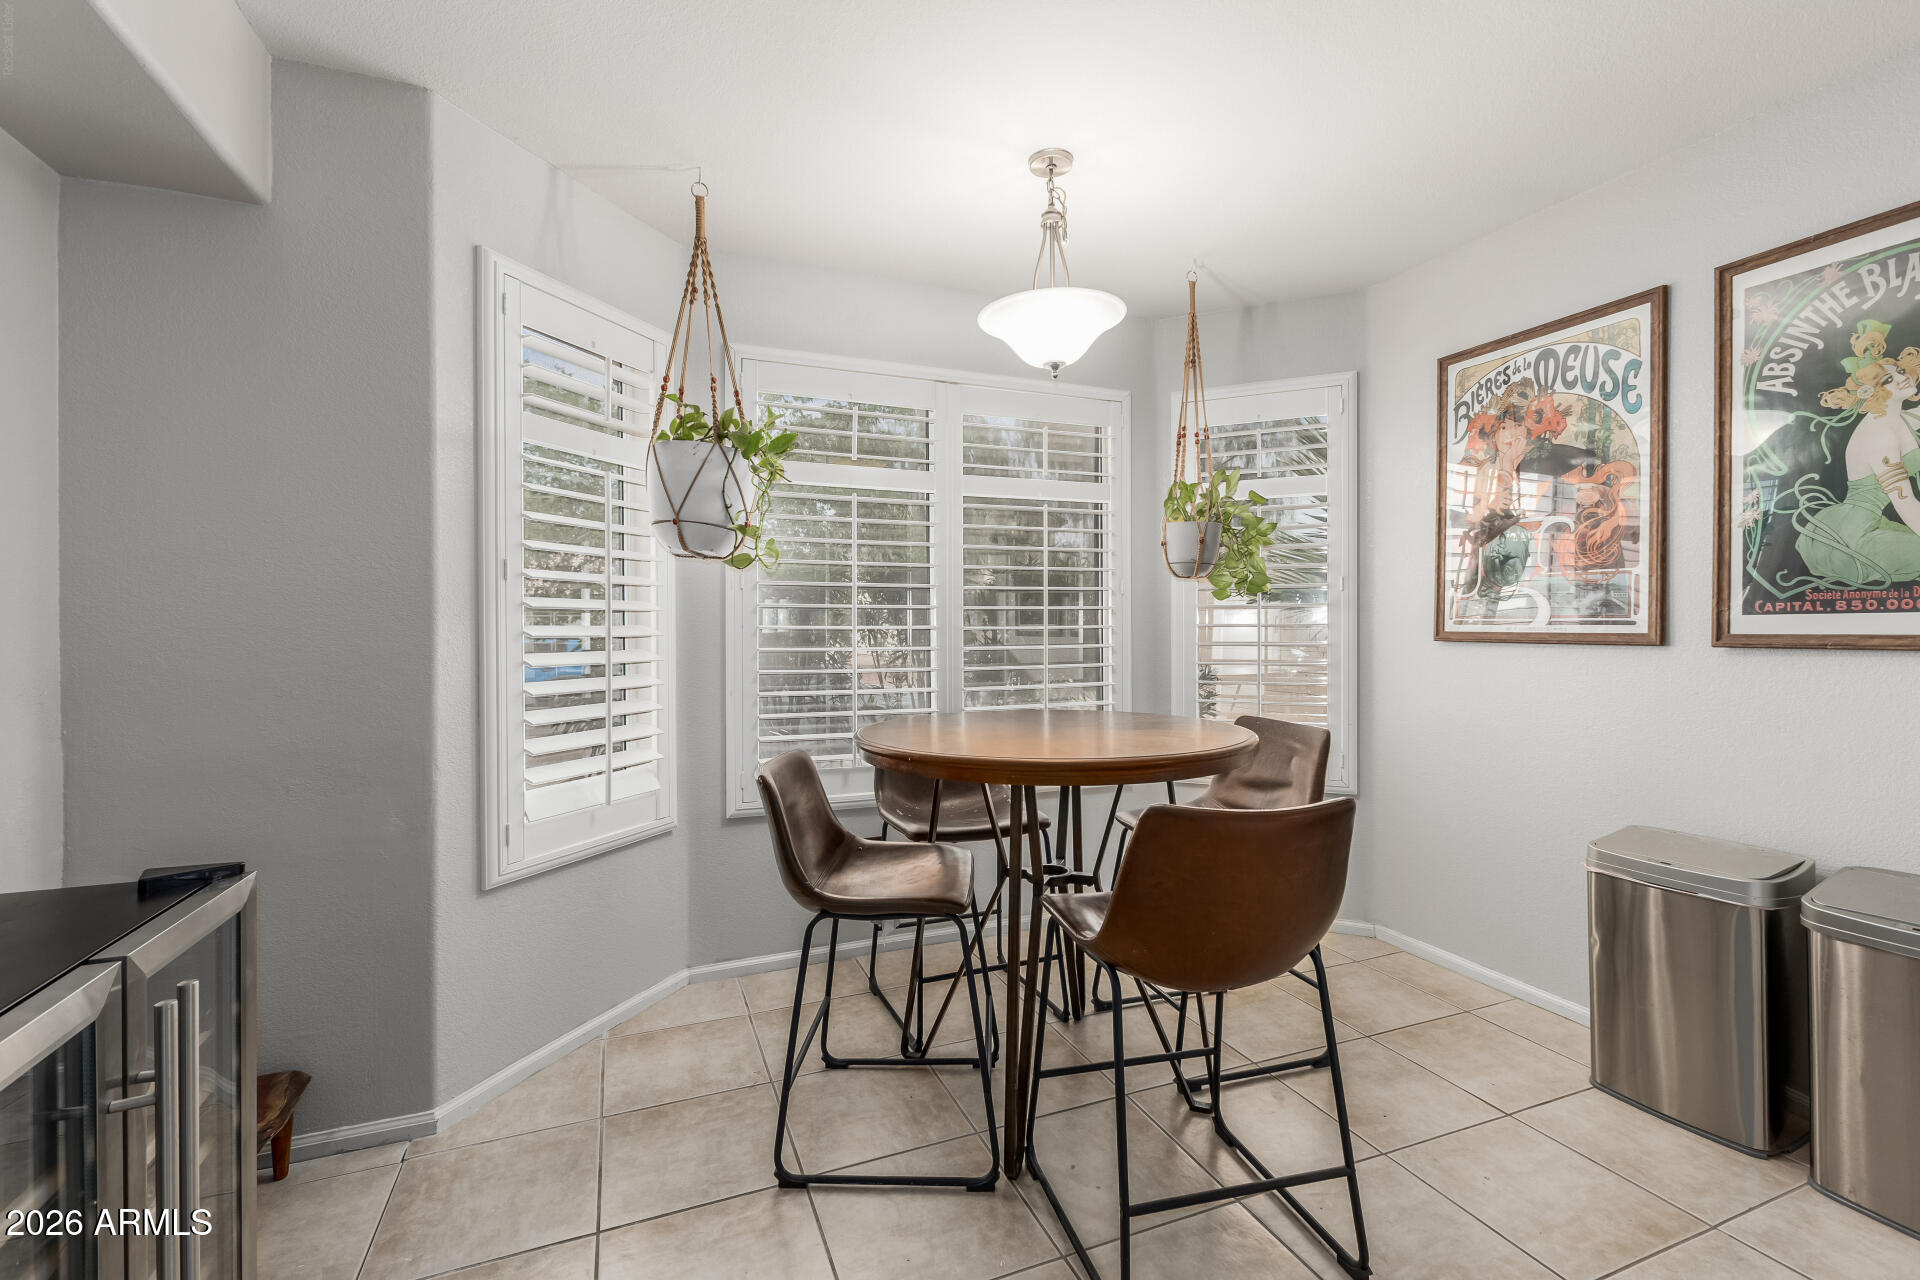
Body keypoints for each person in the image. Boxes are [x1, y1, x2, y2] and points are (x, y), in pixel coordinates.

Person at [1799, 320, 1920, 587]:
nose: (1902, 377)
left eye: (1899, 370)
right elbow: (1906, 503)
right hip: (1853, 537)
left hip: (1875, 524)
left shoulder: (1900, 418)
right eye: (1888, 379)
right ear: (1874, 392)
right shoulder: (1880, 434)